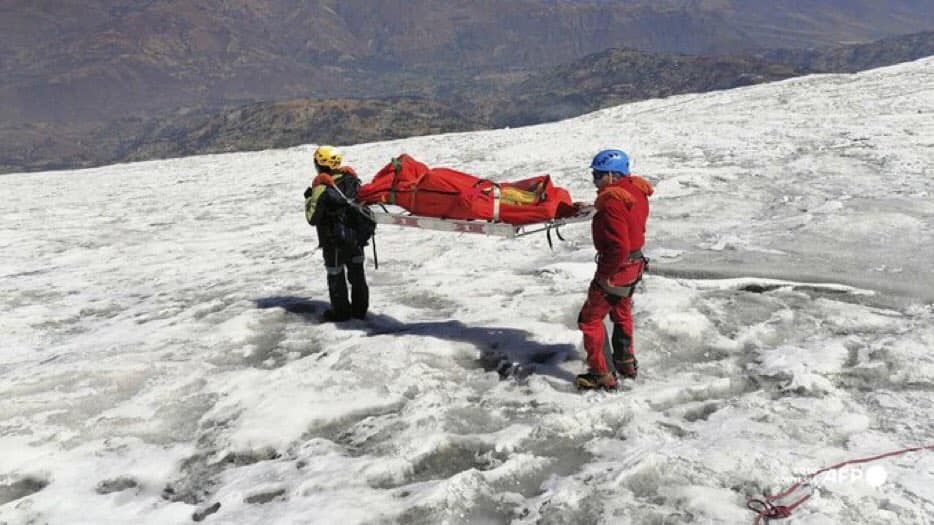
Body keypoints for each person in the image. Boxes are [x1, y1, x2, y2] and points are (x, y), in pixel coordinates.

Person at [576, 148, 653, 390]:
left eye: (598, 175)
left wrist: (604, 276)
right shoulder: (636, 190)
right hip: (634, 265)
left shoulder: (612, 202)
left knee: (590, 319)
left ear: (611, 175)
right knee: (621, 312)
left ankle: (601, 374)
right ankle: (626, 362)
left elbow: (618, 246)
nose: (595, 181)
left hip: (617, 269)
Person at [304, 145, 374, 322]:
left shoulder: (321, 187)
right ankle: (360, 311)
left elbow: (312, 218)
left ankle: (341, 313)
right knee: (357, 274)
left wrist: (308, 199)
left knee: (336, 275)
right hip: (356, 238)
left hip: (334, 241)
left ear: (320, 163)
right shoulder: (352, 179)